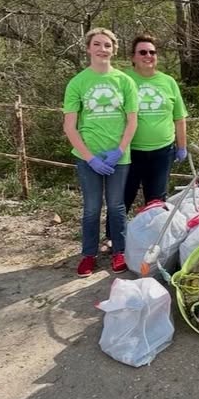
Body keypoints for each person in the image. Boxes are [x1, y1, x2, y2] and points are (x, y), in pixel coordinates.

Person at [62, 28, 139, 277]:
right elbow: (70, 127)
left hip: (119, 157)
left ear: (113, 49)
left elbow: (132, 121)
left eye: (107, 45)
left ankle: (119, 252)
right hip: (88, 158)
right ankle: (88, 255)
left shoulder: (125, 81)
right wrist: (90, 158)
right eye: (97, 44)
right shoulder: (78, 82)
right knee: (92, 207)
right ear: (88, 48)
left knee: (116, 206)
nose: (102, 49)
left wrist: (119, 150)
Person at [124, 34, 189, 210]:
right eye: (142, 52)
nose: (148, 56)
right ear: (133, 57)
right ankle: (113, 237)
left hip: (162, 152)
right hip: (129, 151)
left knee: (156, 202)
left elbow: (179, 117)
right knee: (123, 198)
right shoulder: (123, 80)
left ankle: (152, 237)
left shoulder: (168, 82)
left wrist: (182, 147)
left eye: (152, 52)